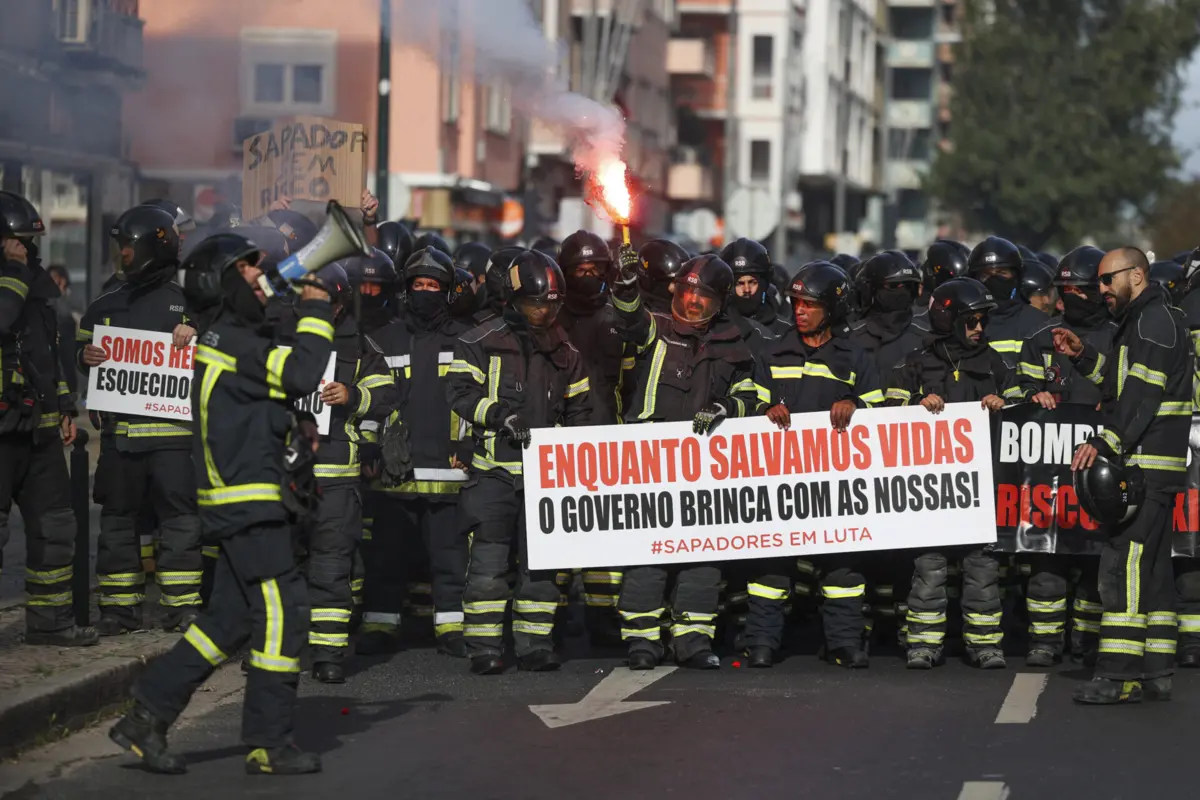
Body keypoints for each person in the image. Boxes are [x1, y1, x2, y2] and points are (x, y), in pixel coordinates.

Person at [109, 231, 335, 774]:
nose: (260, 276)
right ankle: (270, 742)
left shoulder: (229, 338)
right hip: (249, 505)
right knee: (284, 612)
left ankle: (145, 716)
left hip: (240, 503)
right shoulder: (234, 343)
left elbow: (270, 390)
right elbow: (303, 374)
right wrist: (316, 309)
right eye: (248, 269)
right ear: (220, 282)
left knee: (227, 621)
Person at [610, 252, 761, 670]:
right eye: (687, 292)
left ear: (720, 303)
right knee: (648, 553)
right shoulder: (656, 328)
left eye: (703, 297)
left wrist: (725, 408)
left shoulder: (735, 345)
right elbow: (629, 318)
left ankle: (693, 641)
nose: (692, 302)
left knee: (702, 555)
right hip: (649, 465)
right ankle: (642, 642)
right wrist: (625, 286)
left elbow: (751, 399)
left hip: (706, 469)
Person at [446, 250, 593, 674]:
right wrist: (500, 416)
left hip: (545, 481)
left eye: (550, 305)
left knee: (542, 567)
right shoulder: (479, 341)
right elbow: (460, 394)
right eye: (534, 305)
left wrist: (576, 454)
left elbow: (580, 409)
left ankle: (534, 645)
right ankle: (485, 648)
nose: (543, 312)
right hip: (493, 475)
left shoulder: (566, 351)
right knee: (488, 567)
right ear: (512, 300)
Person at [1056, 246, 1189, 705]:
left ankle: (1117, 675)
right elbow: (1119, 381)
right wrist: (1083, 356)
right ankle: (1155, 670)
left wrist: (1106, 442)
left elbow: (1141, 395)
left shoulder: (1152, 322)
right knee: (1153, 569)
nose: (1101, 289)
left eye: (1107, 279)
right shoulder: (1146, 321)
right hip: (1154, 467)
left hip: (1144, 466)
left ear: (1136, 275)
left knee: (1123, 565)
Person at [77, 205, 202, 634]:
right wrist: (84, 355)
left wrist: (195, 333)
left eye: (129, 247)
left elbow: (219, 350)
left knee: (180, 523)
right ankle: (118, 610)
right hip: (120, 440)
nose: (123, 255)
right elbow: (81, 350)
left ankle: (182, 608)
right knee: (117, 521)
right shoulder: (106, 302)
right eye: (121, 247)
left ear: (151, 246)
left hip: (174, 440)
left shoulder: (190, 300)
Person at [887, 277, 1024, 669]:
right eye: (971, 321)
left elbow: (1023, 401)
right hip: (931, 490)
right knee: (929, 568)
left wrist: (1005, 402)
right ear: (948, 320)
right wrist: (916, 402)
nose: (980, 328)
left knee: (982, 569)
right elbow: (886, 411)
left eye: (983, 320)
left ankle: (985, 645)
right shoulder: (916, 362)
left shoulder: (995, 362)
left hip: (981, 488)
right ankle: (923, 644)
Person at [753, 261, 883, 668]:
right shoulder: (772, 352)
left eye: (810, 304)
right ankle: (761, 642)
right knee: (771, 565)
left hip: (837, 486)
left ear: (833, 308)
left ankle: (844, 643)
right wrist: (764, 410)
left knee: (842, 567)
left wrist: (855, 404)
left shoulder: (855, 358)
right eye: (796, 303)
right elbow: (748, 404)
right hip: (778, 481)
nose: (800, 311)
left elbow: (883, 415)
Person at [277, 262, 396, 684]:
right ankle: (274, 651)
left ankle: (328, 653)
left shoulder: (359, 346)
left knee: (331, 566)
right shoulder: (279, 336)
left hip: (335, 477)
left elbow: (387, 394)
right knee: (277, 566)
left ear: (341, 304)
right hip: (282, 473)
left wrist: (353, 395)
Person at [356, 247, 473, 658]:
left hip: (448, 469)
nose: (425, 291)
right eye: (418, 284)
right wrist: (369, 443)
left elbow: (473, 396)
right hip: (395, 472)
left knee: (449, 556)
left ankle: (451, 627)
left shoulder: (466, 339)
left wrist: (468, 443)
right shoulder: (384, 339)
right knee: (386, 554)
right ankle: (380, 625)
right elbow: (371, 397)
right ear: (406, 290)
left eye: (433, 285)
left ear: (448, 291)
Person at [0, 190, 93, 646]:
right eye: (17, 241)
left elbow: (47, 354)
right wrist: (14, 273)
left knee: (55, 529)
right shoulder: (16, 280)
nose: (25, 249)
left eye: (28, 241)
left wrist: (64, 409)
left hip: (38, 431)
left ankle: (51, 623)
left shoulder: (32, 282)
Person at [1017, 245, 1114, 666]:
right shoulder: (1041, 340)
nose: (1068, 298)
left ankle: (1087, 640)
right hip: (1048, 473)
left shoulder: (1121, 336)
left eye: (1078, 290)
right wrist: (1030, 398)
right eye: (1064, 290)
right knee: (1047, 559)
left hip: (1103, 467)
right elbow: (1016, 393)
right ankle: (1044, 640)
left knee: (1096, 559)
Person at [966, 236, 1047, 370]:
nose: (993, 280)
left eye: (1001, 273)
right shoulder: (966, 326)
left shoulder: (1041, 325)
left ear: (1017, 277)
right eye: (985, 275)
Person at [848, 250, 930, 374]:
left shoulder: (927, 339)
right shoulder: (849, 338)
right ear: (870, 289)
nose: (902, 292)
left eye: (908, 286)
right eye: (893, 286)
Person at [722, 237, 790, 338]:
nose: (747, 290)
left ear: (764, 284)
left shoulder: (785, 332)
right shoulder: (716, 328)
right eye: (740, 283)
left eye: (752, 282)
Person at [46, 265, 78, 395]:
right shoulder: (48, 298)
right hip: (53, 339)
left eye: (55, 277)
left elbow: (70, 314)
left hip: (69, 339)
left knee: (68, 368)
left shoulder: (72, 297)